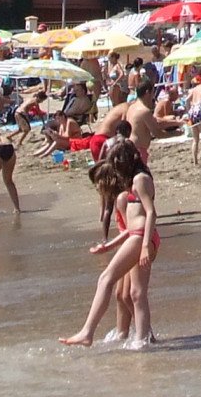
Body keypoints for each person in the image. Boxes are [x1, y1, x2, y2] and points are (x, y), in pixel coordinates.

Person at [60, 137, 160, 349]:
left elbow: (151, 213)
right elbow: (130, 226)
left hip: (142, 236)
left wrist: (144, 246)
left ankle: (88, 332)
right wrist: (109, 246)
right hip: (138, 234)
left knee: (106, 279)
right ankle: (143, 339)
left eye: (116, 163)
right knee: (135, 293)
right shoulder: (134, 180)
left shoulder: (140, 179)